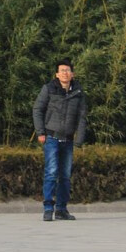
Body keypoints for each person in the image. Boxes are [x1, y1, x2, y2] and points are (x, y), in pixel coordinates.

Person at [32, 58, 87, 222]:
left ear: (73, 74)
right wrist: (40, 132)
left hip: (68, 140)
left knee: (65, 175)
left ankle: (61, 209)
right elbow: (37, 109)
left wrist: (79, 138)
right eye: (62, 70)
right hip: (52, 137)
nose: (65, 73)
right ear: (57, 74)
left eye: (68, 70)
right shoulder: (49, 89)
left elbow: (82, 117)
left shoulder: (78, 92)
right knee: (51, 173)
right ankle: (48, 208)